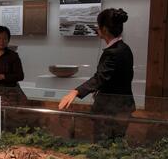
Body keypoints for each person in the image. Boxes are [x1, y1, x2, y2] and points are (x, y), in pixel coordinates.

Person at [58, 8, 135, 141]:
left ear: (104, 29)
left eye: (98, 26)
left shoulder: (113, 52)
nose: (97, 29)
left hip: (111, 111)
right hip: (120, 108)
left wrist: (76, 92)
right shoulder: (124, 48)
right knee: (114, 145)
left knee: (104, 146)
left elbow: (100, 77)